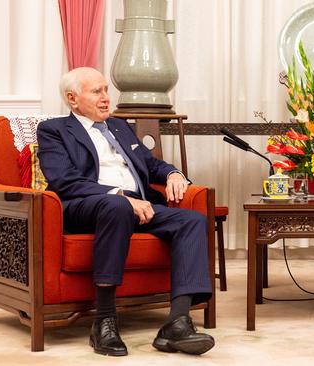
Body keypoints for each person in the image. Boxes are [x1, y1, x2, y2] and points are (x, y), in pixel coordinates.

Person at [37, 67, 215, 357]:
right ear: (72, 98)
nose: (107, 98)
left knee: (192, 220)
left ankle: (177, 323)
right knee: (117, 205)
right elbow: (63, 180)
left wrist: (173, 174)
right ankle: (104, 321)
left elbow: (150, 164)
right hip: (88, 204)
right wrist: (118, 195)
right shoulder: (54, 130)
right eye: (97, 91)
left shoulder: (119, 127)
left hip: (139, 205)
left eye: (106, 89)